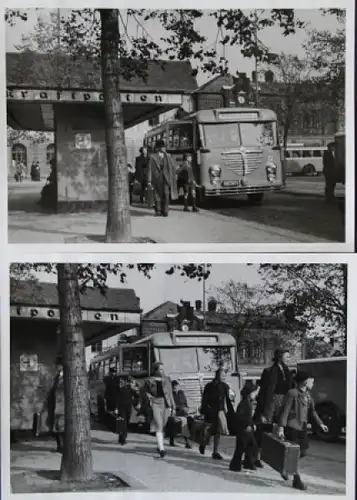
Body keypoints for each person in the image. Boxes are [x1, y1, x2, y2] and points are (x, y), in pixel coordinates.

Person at [277, 370, 328, 491]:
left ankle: (285, 467)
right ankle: (296, 480)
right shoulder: (292, 393)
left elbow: (313, 412)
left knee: (303, 452)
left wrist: (321, 424)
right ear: (305, 381)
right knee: (294, 453)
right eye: (312, 381)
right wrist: (281, 427)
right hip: (292, 427)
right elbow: (285, 411)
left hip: (302, 428)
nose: (313, 383)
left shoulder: (308, 396)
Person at [254, 348, 294, 468]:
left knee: (282, 430)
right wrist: (261, 410)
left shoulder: (289, 372)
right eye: (287, 357)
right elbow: (263, 391)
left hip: (284, 402)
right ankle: (256, 457)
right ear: (280, 358)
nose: (289, 359)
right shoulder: (269, 371)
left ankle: (278, 459)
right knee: (264, 429)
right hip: (271, 402)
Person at [199, 367, 234, 460]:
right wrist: (204, 409)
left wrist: (231, 411)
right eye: (221, 375)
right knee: (209, 430)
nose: (222, 376)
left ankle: (215, 451)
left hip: (220, 410)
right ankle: (203, 444)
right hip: (211, 410)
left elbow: (227, 400)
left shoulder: (225, 386)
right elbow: (205, 399)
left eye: (223, 375)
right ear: (216, 375)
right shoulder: (209, 386)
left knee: (219, 431)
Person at [143, 362, 176, 457]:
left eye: (163, 369)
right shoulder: (149, 380)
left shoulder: (167, 379)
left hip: (166, 404)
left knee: (163, 424)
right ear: (156, 370)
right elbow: (144, 391)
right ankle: (161, 449)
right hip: (155, 403)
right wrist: (149, 397)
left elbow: (170, 394)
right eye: (160, 369)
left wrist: (173, 407)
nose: (162, 371)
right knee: (159, 425)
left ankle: (159, 444)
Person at [229, 382, 259, 472]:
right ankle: (239, 464)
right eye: (254, 393)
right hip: (244, 429)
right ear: (250, 394)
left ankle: (246, 463)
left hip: (245, 429)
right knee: (246, 447)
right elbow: (241, 417)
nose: (256, 394)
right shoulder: (245, 404)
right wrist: (248, 425)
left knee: (247, 447)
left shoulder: (246, 403)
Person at [147, 139, 178, 217]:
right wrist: (149, 180)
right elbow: (149, 169)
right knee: (157, 195)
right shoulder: (152, 156)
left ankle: (165, 210)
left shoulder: (168, 156)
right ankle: (158, 210)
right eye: (162, 147)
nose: (164, 148)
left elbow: (173, 166)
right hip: (156, 178)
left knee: (166, 194)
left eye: (164, 147)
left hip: (166, 177)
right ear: (158, 148)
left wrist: (174, 176)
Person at [44, 357, 65, 453]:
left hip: (62, 405)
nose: (56, 367)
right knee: (55, 427)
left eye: (57, 365)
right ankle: (59, 446)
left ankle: (62, 447)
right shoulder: (57, 377)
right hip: (55, 405)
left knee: (61, 427)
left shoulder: (66, 377)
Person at [168, 380, 192, 449]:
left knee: (184, 424)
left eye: (175, 386)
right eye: (173, 386)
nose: (174, 388)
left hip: (182, 412)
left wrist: (186, 408)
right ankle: (172, 440)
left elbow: (185, 402)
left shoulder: (181, 393)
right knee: (173, 422)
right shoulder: (171, 394)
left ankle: (187, 442)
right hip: (174, 411)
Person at [115, 376, 138, 445]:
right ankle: (123, 439)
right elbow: (117, 400)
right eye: (130, 382)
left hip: (128, 408)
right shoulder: (120, 389)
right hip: (121, 408)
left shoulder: (131, 390)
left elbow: (137, 396)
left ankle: (121, 437)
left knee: (126, 422)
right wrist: (116, 408)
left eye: (132, 382)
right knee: (122, 423)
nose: (130, 384)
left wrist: (133, 401)